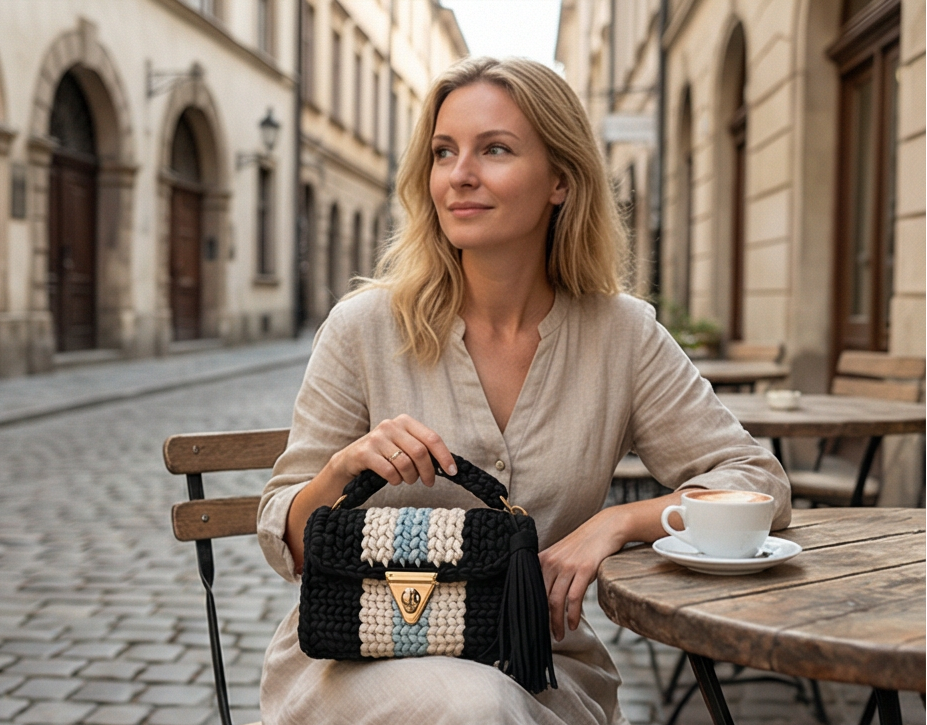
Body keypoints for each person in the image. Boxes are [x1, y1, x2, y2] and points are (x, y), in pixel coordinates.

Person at [257, 56, 790, 725]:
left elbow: (760, 486)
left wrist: (618, 524)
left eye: (495, 150)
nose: (460, 175)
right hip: (357, 661)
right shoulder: (363, 327)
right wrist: (342, 467)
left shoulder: (620, 334)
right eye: (443, 152)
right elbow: (292, 545)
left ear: (560, 180)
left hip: (542, 666)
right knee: (475, 707)